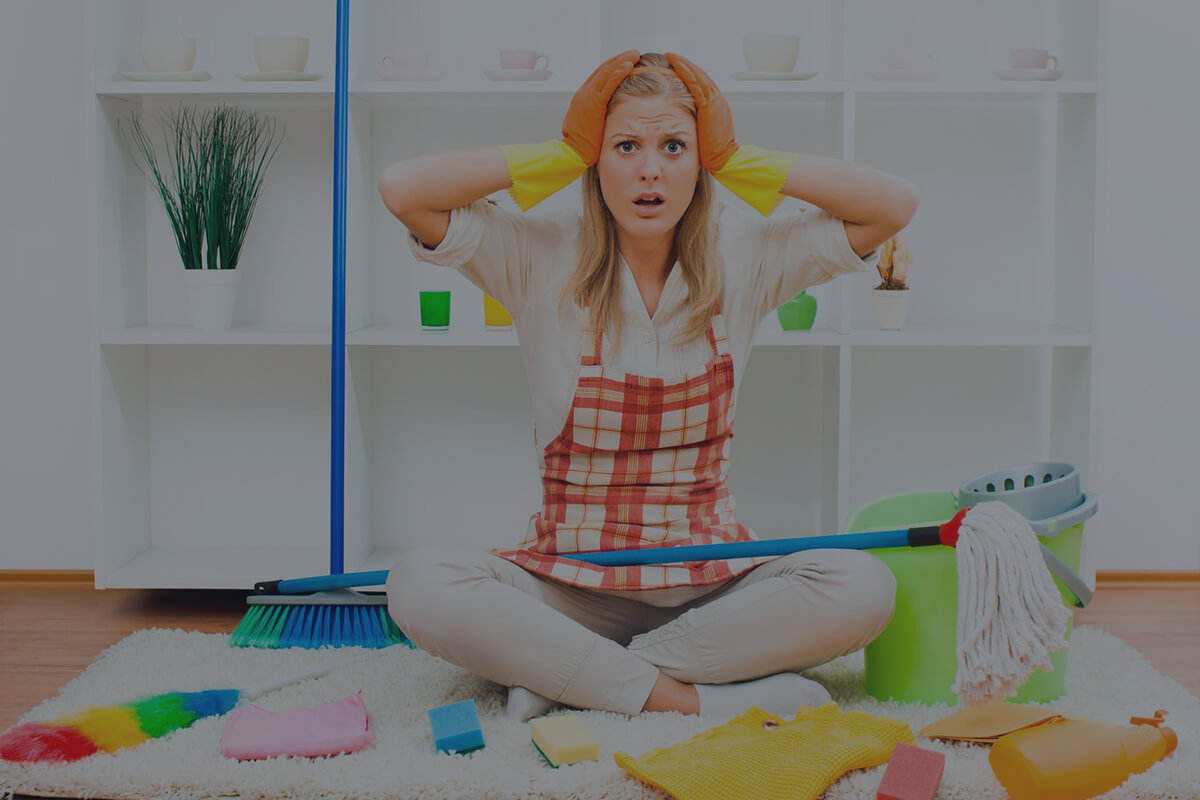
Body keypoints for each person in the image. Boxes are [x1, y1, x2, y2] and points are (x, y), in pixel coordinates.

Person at [378, 51, 918, 721]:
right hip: (570, 584)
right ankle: (683, 698)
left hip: (710, 584)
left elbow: (894, 205)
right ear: (594, 159)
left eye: (674, 146)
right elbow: (403, 189)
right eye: (625, 146)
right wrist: (560, 150)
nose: (650, 170)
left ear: (702, 160)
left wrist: (737, 157)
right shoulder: (537, 251)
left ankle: (566, 673)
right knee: (419, 583)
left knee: (863, 585)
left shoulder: (744, 253)